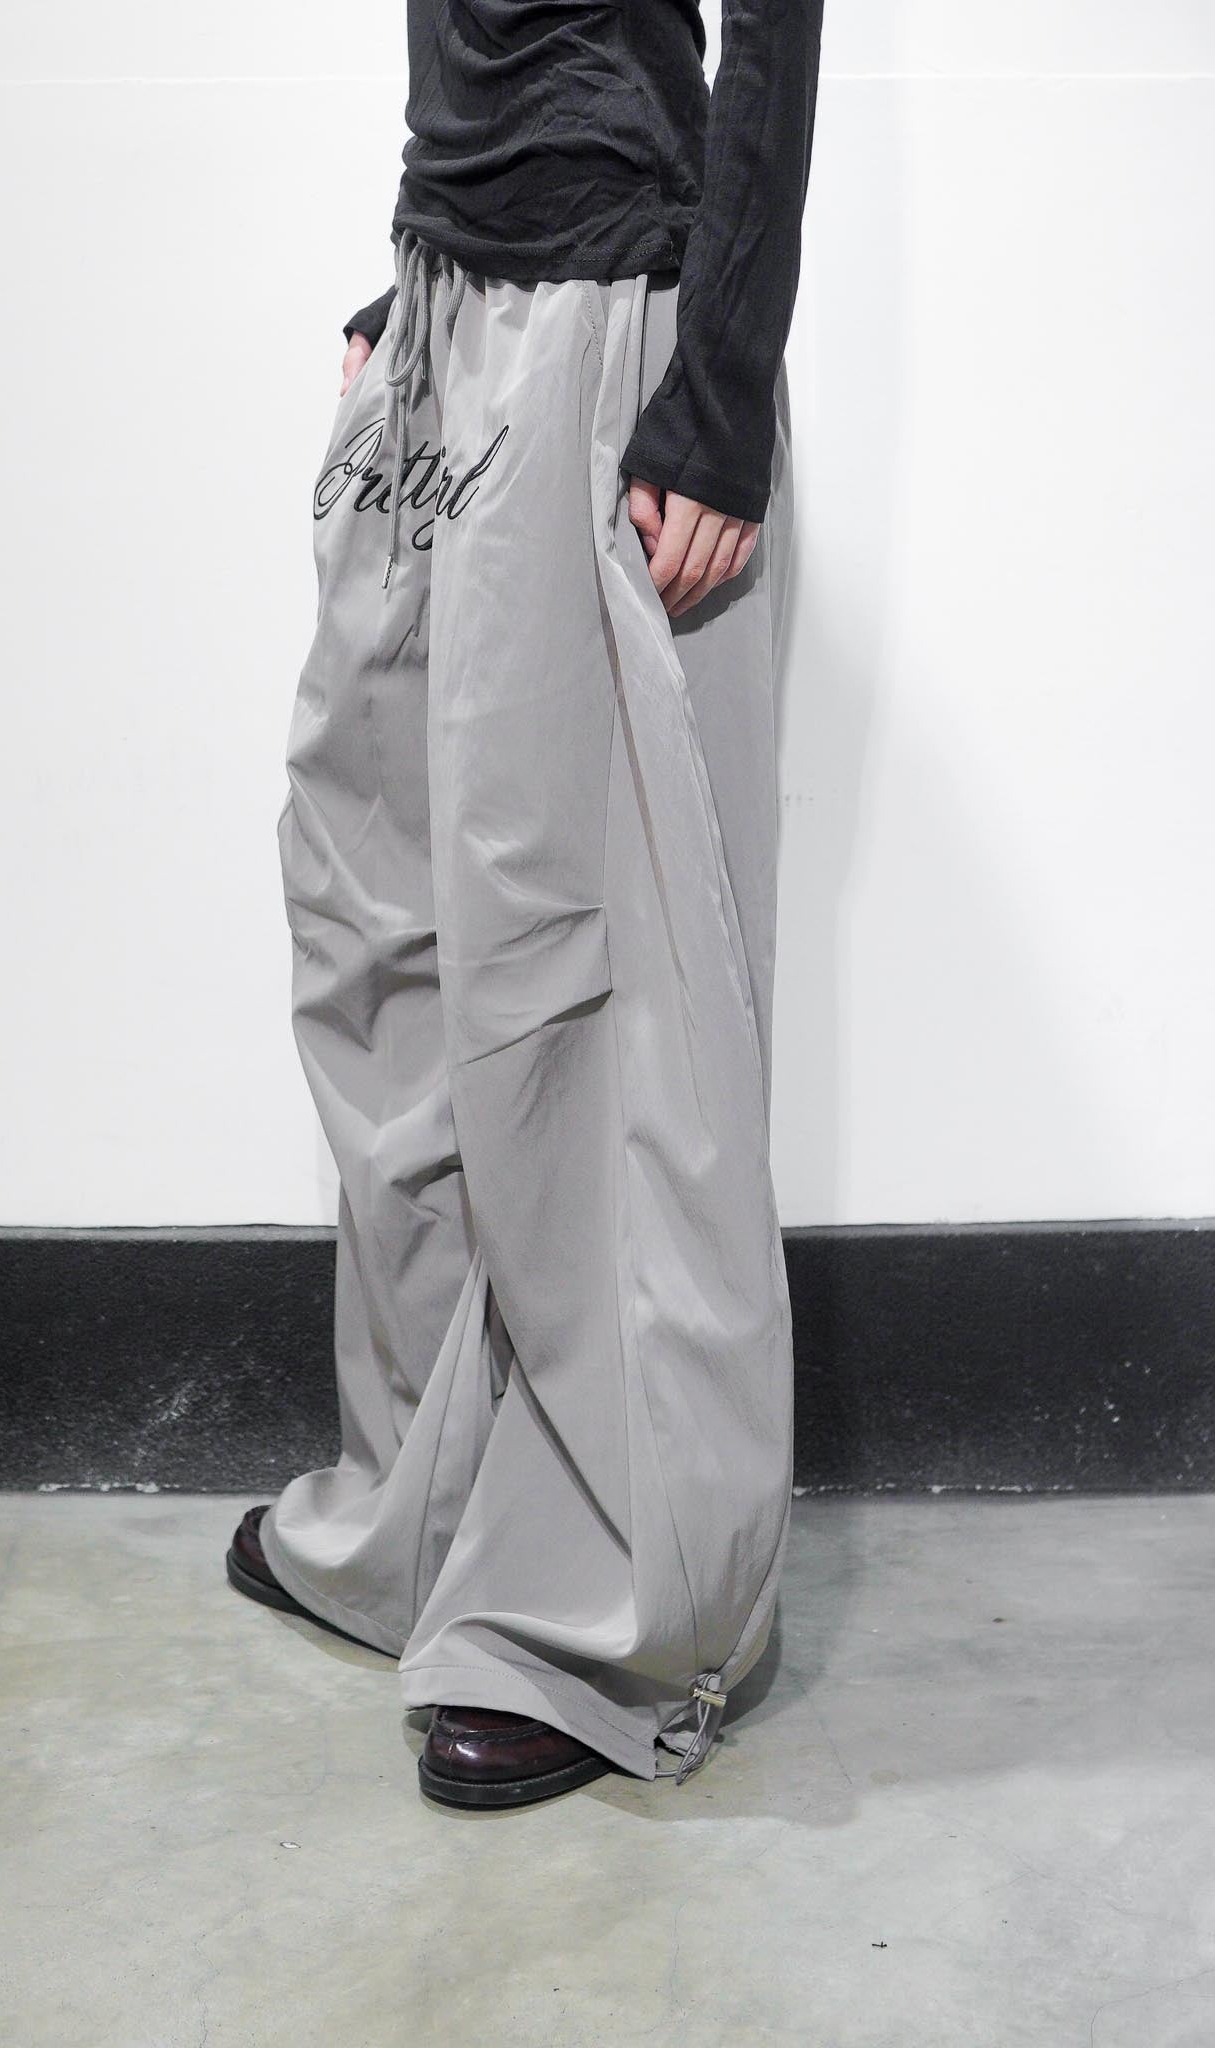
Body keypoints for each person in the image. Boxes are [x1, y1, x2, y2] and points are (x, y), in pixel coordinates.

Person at [227, 0, 825, 1809]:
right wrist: (413, 280)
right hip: (450, 313)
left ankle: (610, 1620)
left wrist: (721, 384)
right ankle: (427, 1522)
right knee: (381, 924)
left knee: (593, 982)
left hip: (611, 325)